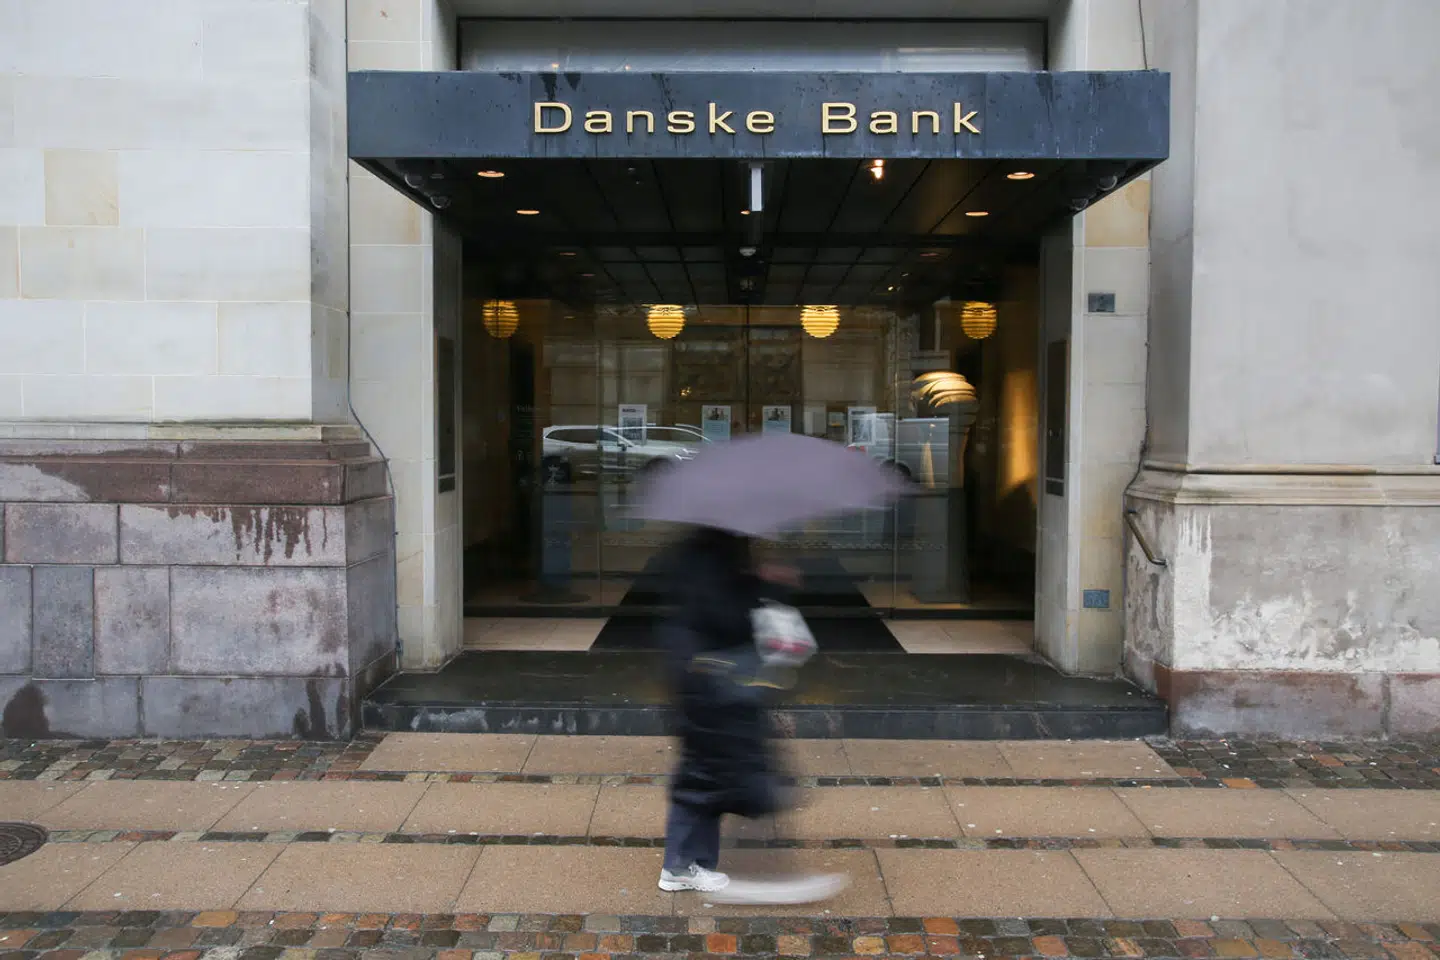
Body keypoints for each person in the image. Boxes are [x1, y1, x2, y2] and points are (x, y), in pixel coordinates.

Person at [655, 526, 794, 894]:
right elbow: (727, 617)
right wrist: (766, 584)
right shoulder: (714, 554)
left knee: (704, 770)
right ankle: (680, 865)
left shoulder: (705, 547)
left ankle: (689, 862)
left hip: (698, 671)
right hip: (707, 676)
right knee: (701, 774)